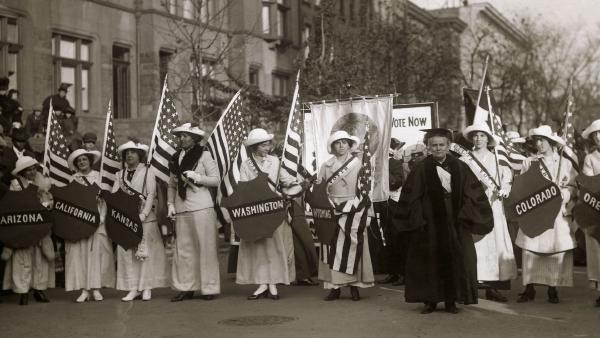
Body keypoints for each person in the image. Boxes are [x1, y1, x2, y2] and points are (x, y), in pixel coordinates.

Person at [397, 128, 493, 314]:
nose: (438, 148)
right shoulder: (421, 168)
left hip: (455, 219)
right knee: (428, 259)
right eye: (434, 145)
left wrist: (466, 214)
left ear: (449, 146)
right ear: (428, 147)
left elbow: (472, 194)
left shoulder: (460, 167)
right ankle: (430, 300)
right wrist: (418, 218)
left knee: (457, 258)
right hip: (429, 222)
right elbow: (411, 197)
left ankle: (451, 300)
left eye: (442, 145)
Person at [515, 125, 577, 304]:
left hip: (555, 213)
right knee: (531, 250)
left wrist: (563, 194)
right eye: (537, 140)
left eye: (542, 140)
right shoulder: (530, 162)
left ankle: (552, 287)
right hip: (534, 210)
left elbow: (573, 187)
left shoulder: (564, 163)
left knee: (553, 250)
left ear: (551, 142)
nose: (539, 144)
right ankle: (529, 287)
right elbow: (521, 187)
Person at [235, 128, 298, 300]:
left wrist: (296, 183)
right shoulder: (246, 165)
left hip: (274, 209)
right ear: (254, 147)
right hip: (256, 210)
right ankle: (262, 283)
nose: (267, 148)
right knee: (259, 248)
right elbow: (243, 187)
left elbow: (285, 179)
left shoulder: (275, 161)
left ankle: (273, 283)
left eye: (268, 144)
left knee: (275, 248)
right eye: (263, 145)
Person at [462, 123, 517, 302]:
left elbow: (506, 177)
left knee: (494, 243)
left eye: (482, 135)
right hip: (473, 206)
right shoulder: (465, 159)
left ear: (488, 139)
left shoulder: (497, 159)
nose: (478, 139)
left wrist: (505, 188)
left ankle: (493, 287)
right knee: (474, 244)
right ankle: (471, 284)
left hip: (493, 205)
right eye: (475, 136)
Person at [317, 130, 375, 301]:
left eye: (344, 142)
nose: (341, 145)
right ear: (332, 146)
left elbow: (366, 192)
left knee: (354, 247)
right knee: (332, 249)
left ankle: (354, 286)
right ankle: (335, 287)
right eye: (337, 142)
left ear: (350, 145)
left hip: (354, 210)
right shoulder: (326, 166)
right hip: (332, 210)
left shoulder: (359, 165)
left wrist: (369, 214)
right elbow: (320, 190)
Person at [167, 123, 220, 301]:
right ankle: (186, 286)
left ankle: (209, 287)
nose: (182, 139)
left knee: (205, 247)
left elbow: (215, 180)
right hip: (181, 206)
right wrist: (169, 203)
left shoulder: (204, 155)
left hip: (201, 205)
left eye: (186, 136)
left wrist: (198, 177)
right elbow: (172, 184)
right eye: (180, 136)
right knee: (184, 249)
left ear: (195, 139)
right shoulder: (175, 158)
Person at [113, 140, 168, 302]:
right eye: (127, 153)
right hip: (126, 220)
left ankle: (147, 287)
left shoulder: (147, 172)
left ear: (140, 155)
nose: (129, 155)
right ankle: (133, 287)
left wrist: (143, 214)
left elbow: (151, 194)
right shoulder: (119, 175)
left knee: (145, 253)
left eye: (133, 152)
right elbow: (116, 195)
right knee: (128, 254)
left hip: (145, 219)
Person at [1, 156, 55, 305]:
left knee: (39, 259)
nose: (31, 172)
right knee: (22, 259)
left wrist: (46, 205)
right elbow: (11, 205)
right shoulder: (15, 185)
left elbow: (48, 203)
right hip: (22, 227)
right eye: (28, 170)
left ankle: (39, 289)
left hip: (38, 226)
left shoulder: (41, 185)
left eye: (33, 169)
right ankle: (23, 291)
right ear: (22, 172)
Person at [65, 148, 115, 302]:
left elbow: (107, 200)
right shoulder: (72, 179)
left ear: (90, 161)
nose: (81, 162)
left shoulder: (99, 178)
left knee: (97, 255)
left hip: (98, 221)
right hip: (80, 222)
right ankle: (84, 289)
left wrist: (101, 217)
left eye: (84, 159)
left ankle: (96, 288)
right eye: (79, 161)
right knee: (81, 255)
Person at [377, 138, 408, 286]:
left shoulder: (394, 163)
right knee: (387, 238)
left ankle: (403, 273)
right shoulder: (375, 165)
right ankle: (393, 272)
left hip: (394, 204)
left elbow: (397, 182)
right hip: (382, 203)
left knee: (398, 238)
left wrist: (384, 173)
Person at [580, 120, 600, 307]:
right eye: (596, 134)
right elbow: (587, 183)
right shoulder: (590, 159)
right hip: (596, 207)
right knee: (598, 251)